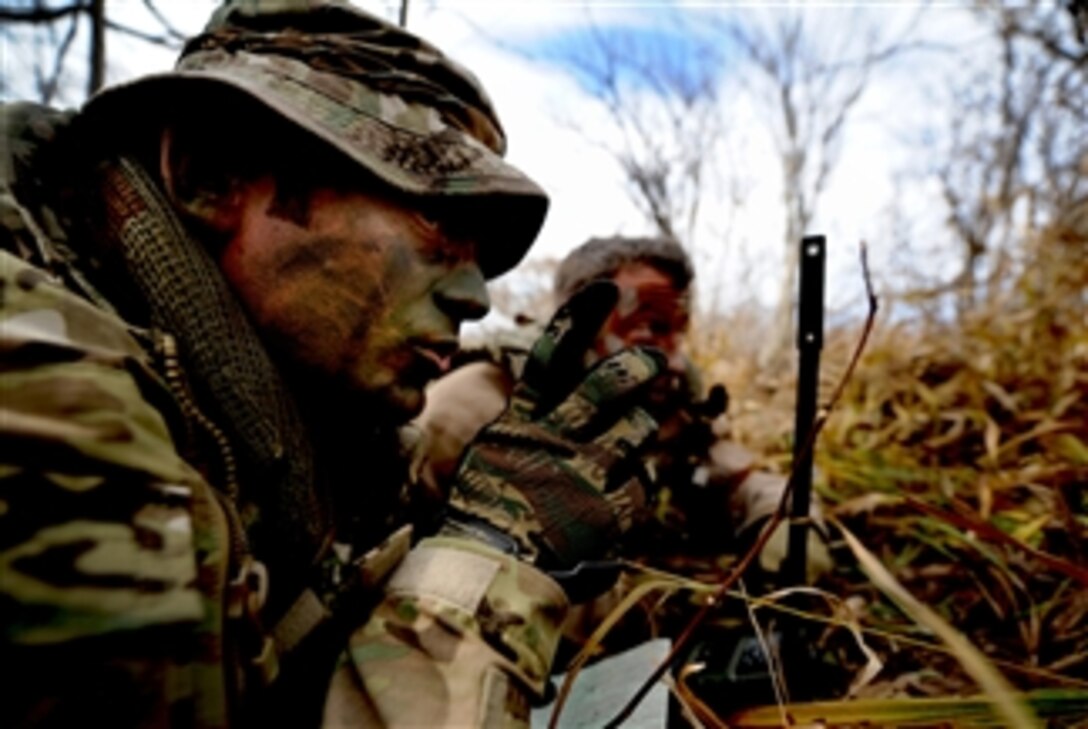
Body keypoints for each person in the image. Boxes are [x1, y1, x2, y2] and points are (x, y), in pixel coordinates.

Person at [0, 2, 666, 727]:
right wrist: (483, 556)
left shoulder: (293, 426)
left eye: (484, 254)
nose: (477, 296)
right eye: (439, 221)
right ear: (210, 175)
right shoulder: (53, 413)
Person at [414, 235, 830, 598]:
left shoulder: (659, 405)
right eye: (651, 330)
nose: (677, 360)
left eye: (678, 331)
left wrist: (788, 549)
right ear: (581, 327)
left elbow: (745, 480)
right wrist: (666, 613)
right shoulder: (472, 412)